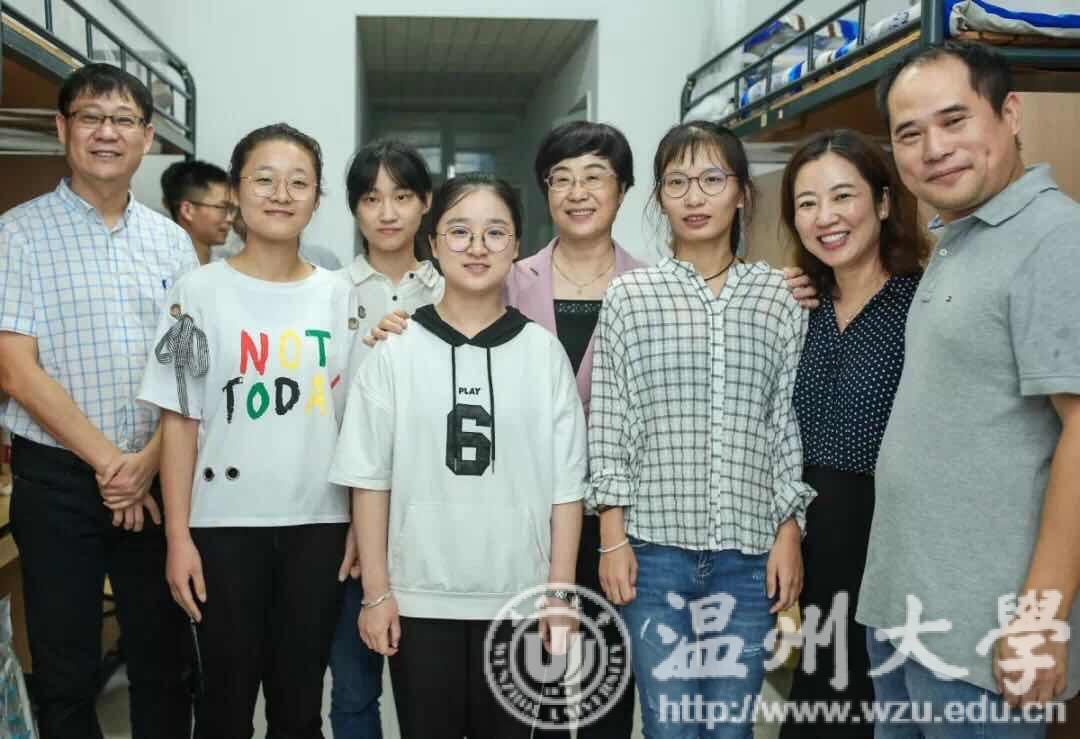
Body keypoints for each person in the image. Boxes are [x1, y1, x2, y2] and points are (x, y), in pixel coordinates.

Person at [852, 41, 1080, 736]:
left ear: (1010, 113)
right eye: (909, 134)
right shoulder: (959, 238)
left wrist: (1040, 619)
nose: (934, 149)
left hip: (985, 639)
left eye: (954, 120)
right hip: (908, 615)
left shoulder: (1055, 238)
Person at [329, 173, 587, 738]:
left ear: (516, 246)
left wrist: (559, 593)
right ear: (434, 243)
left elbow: (567, 486)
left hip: (519, 598)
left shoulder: (543, 353)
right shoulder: (394, 351)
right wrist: (376, 593)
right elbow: (369, 482)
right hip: (420, 599)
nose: (477, 247)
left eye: (495, 233)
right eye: (460, 231)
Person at [588, 120, 814, 739]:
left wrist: (789, 531)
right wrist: (612, 538)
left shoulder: (778, 297)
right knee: (668, 726)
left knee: (731, 728)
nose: (694, 196)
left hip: (749, 555)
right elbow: (611, 421)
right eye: (677, 182)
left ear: (741, 193)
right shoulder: (630, 296)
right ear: (659, 197)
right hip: (654, 554)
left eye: (712, 180)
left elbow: (784, 424)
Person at [139, 123, 354, 738]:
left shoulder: (339, 296)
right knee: (224, 709)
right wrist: (178, 537)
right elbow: (179, 422)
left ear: (317, 198)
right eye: (264, 179)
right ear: (235, 192)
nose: (281, 194)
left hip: (319, 526)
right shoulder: (197, 292)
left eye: (298, 182)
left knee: (299, 708)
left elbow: (358, 428)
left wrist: (362, 531)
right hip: (221, 529)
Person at [0, 63, 194, 739]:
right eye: (91, 117)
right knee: (65, 671)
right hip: (58, 482)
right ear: (63, 129)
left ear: (146, 137)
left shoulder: (172, 242)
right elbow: (15, 370)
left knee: (165, 663)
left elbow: (187, 370)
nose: (107, 132)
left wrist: (147, 462)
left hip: (158, 473)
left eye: (123, 120)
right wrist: (115, 466)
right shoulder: (17, 233)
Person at [776, 129, 928, 739]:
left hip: (888, 533)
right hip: (807, 531)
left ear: (884, 202)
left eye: (843, 196)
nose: (825, 217)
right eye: (807, 203)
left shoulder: (921, 305)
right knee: (817, 701)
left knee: (875, 703)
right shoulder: (797, 306)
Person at [329, 139, 440, 739]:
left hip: (431, 515)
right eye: (371, 199)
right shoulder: (329, 292)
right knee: (353, 690)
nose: (388, 212)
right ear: (354, 208)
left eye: (402, 196)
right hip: (348, 518)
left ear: (426, 202)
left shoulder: (455, 288)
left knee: (432, 691)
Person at [161, 159, 236, 265]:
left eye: (231, 209)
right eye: (221, 208)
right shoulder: (163, 266)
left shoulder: (226, 267)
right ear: (187, 210)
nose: (230, 219)